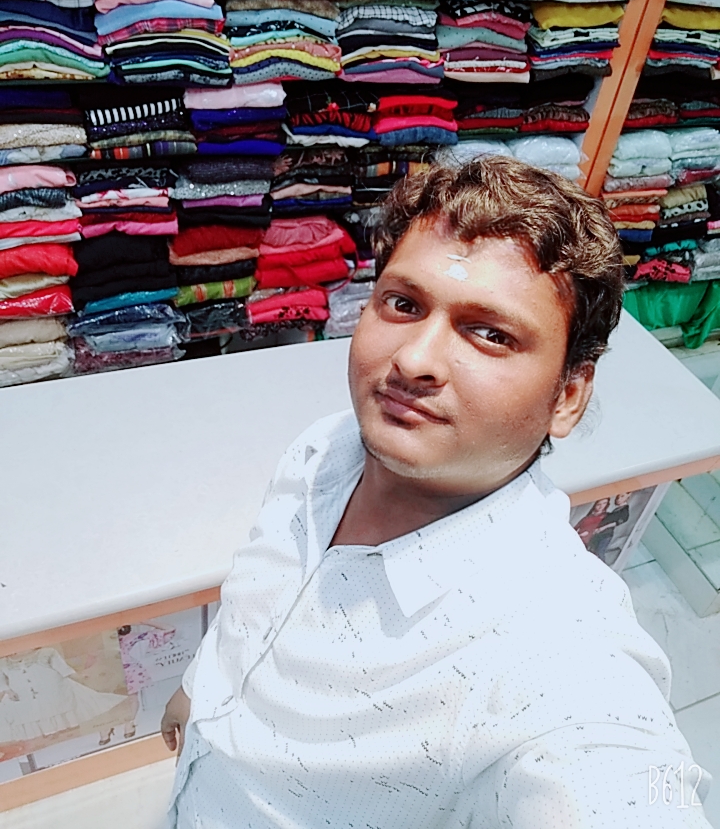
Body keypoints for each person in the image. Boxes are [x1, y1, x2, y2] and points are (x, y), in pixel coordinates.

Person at [161, 157, 713, 828]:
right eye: (404, 304)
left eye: (491, 334)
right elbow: (258, 588)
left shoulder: (553, 656)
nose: (414, 360)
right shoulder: (325, 449)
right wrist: (200, 690)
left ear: (568, 396)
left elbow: (623, 781)